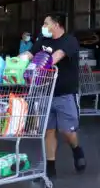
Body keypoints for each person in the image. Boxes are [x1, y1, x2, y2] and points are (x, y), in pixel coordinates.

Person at [19, 12, 84, 178]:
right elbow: (30, 54)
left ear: (56, 24)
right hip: (44, 92)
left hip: (65, 93)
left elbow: (57, 56)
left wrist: (42, 64)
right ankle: (50, 166)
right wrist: (17, 61)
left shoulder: (69, 40)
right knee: (48, 130)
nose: (44, 27)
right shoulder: (42, 40)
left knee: (66, 130)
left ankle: (76, 149)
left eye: (46, 23)